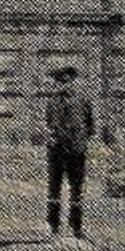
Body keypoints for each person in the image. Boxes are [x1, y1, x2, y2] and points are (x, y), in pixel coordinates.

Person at [45, 64, 95, 239]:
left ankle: (76, 227)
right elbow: (49, 125)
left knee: (76, 190)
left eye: (66, 82)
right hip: (56, 152)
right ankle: (53, 227)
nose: (62, 86)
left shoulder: (83, 101)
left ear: (73, 81)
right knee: (54, 190)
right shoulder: (51, 102)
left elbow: (90, 127)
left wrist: (79, 142)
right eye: (59, 82)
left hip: (75, 152)